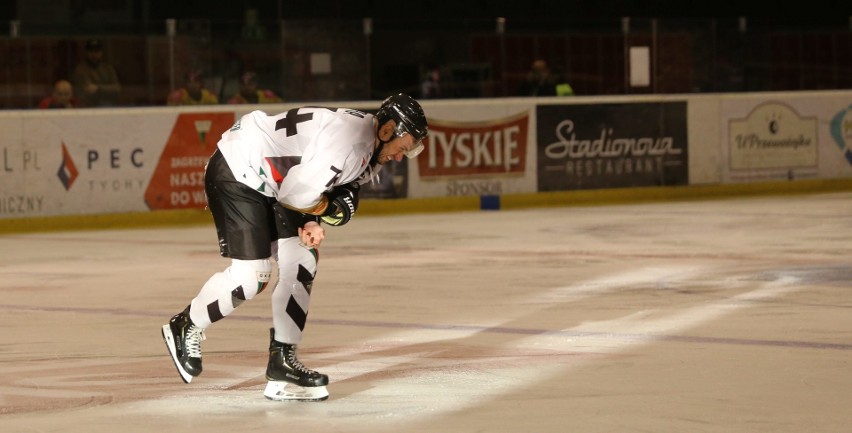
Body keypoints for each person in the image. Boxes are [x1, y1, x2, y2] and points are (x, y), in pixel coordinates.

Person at [161, 93, 429, 401]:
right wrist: (323, 214)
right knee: (252, 277)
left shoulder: (369, 148)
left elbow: (317, 190)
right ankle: (185, 325)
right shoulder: (350, 145)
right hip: (240, 169)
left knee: (302, 260)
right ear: (387, 130)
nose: (400, 157)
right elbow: (299, 197)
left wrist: (318, 220)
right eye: (402, 148)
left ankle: (282, 362)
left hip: (278, 184)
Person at [72, 39, 122, 107]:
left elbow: (117, 88)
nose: (94, 54)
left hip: (108, 105)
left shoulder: (108, 68)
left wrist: (98, 88)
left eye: (97, 51)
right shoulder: (80, 70)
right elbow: (80, 92)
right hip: (88, 106)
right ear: (86, 53)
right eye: (91, 51)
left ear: (101, 52)